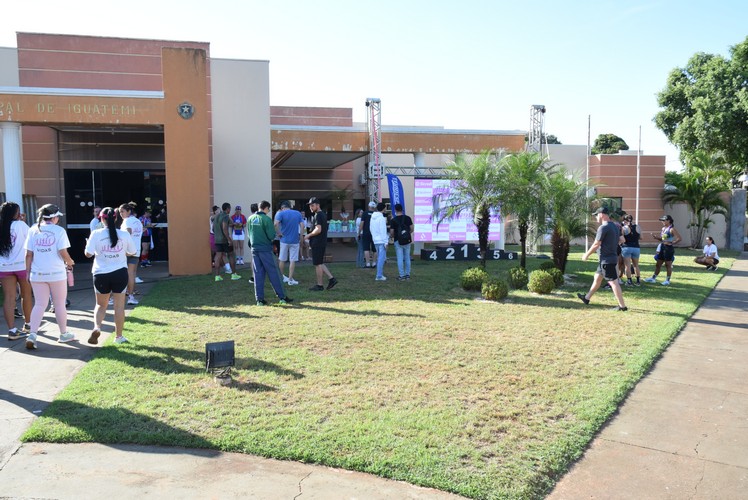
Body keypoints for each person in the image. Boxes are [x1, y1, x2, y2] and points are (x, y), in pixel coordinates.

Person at [24, 204, 76, 349]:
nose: (58, 219)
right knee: (59, 304)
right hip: (57, 273)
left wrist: (27, 273)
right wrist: (70, 262)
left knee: (40, 304)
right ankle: (64, 334)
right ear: (53, 217)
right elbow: (63, 252)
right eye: (57, 216)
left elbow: (28, 254)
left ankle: (32, 334)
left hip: (37, 274)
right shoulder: (59, 231)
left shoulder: (33, 230)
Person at [84, 207, 137, 344]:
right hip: (120, 273)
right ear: (115, 218)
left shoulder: (96, 234)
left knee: (101, 305)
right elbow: (132, 251)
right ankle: (118, 337)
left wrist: (88, 247)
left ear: (101, 219)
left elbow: (88, 254)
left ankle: (97, 327)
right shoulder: (124, 235)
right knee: (119, 307)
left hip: (101, 274)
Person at [577, 206, 627, 311]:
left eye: (596, 215)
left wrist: (586, 254)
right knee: (597, 277)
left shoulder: (603, 228)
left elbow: (596, 244)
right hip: (609, 258)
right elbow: (621, 240)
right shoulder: (614, 226)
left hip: (606, 260)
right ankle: (586, 298)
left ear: (602, 214)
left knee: (613, 282)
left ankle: (622, 306)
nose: (595, 217)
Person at [247, 200, 292, 305]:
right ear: (266, 208)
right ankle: (282, 297)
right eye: (269, 209)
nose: (269, 211)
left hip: (254, 250)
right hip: (265, 250)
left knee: (258, 274)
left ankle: (259, 300)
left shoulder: (250, 218)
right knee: (274, 273)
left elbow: (249, 235)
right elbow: (271, 235)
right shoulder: (266, 219)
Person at [0, 202, 31, 340]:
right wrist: (21, 222)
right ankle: (28, 325)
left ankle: (12, 330)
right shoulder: (21, 225)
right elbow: (31, 241)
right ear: (16, 213)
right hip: (22, 266)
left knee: (9, 298)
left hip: (4, 267)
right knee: (26, 295)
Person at [304, 197, 337, 291]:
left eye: (312, 205)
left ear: (318, 205)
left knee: (317, 263)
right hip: (320, 242)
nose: (311, 207)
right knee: (319, 263)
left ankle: (320, 285)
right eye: (310, 205)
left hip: (318, 242)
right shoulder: (321, 214)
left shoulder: (318, 215)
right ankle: (331, 279)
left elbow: (318, 229)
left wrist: (308, 235)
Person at [644, 215, 682, 285]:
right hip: (662, 247)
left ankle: (667, 280)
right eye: (662, 220)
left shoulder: (672, 229)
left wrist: (672, 242)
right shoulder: (663, 229)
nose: (662, 222)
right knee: (658, 264)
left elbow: (679, 238)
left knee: (668, 264)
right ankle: (653, 278)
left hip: (668, 248)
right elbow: (662, 239)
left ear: (669, 221)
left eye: (664, 220)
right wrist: (656, 237)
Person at [274, 200, 304, 286]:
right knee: (292, 260)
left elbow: (275, 224)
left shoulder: (281, 214)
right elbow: (302, 225)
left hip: (284, 240)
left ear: (282, 207)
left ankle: (281, 278)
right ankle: (290, 279)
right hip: (295, 240)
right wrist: (301, 236)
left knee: (282, 259)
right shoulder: (297, 213)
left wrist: (279, 233)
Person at [119, 202, 143, 305]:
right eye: (120, 212)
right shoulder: (138, 221)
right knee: (132, 274)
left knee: (121, 273)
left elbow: (127, 234)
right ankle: (131, 296)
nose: (121, 214)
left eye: (122, 211)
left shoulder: (127, 221)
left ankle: (116, 296)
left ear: (129, 211)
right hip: (136, 250)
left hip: (126, 251)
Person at [213, 203, 241, 281]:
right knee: (231, 255)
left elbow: (213, 228)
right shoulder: (225, 216)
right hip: (224, 240)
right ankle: (234, 274)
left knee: (218, 257)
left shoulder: (217, 216)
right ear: (227, 209)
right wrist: (229, 239)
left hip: (217, 239)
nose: (230, 210)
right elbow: (225, 228)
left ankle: (217, 276)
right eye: (230, 209)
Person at [389, 203, 413, 281]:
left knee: (400, 258)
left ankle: (401, 276)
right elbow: (412, 228)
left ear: (395, 210)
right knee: (407, 257)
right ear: (402, 209)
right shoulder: (408, 218)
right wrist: (407, 234)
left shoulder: (393, 220)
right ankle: (407, 275)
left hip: (397, 240)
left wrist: (392, 237)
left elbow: (392, 232)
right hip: (407, 240)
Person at [620, 214, 641, 286]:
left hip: (626, 247)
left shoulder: (624, 228)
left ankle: (629, 281)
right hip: (636, 248)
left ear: (625, 220)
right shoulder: (638, 226)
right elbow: (641, 237)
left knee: (627, 266)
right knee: (636, 265)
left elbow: (622, 239)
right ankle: (638, 281)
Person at [370, 202, 389, 281]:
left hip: (376, 240)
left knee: (379, 258)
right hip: (381, 241)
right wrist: (386, 242)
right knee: (381, 258)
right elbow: (383, 231)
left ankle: (379, 274)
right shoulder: (381, 218)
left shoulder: (373, 217)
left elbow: (371, 229)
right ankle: (379, 275)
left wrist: (374, 237)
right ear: (383, 208)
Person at [361, 201, 377, 268]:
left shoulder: (365, 213)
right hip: (375, 233)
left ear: (369, 206)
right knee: (375, 249)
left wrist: (359, 232)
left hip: (366, 233)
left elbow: (362, 223)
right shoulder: (376, 214)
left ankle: (367, 263)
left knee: (366, 248)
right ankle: (374, 263)